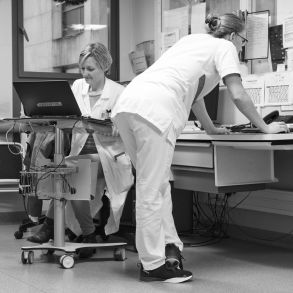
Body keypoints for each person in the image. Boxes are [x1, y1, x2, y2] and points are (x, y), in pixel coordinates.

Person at [111, 13, 288, 283]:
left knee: (158, 186)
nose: (241, 46)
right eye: (243, 40)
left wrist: (211, 129)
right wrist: (265, 127)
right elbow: (238, 92)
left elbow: (195, 98)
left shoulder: (192, 41)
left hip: (128, 104)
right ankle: (152, 265)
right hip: (155, 110)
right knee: (151, 187)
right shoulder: (224, 47)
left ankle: (170, 248)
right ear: (232, 36)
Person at [28, 42, 134, 258]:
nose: (85, 74)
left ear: (105, 67)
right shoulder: (77, 87)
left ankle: (52, 227)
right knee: (70, 169)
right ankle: (87, 235)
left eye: (90, 69)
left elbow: (125, 131)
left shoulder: (119, 92)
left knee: (72, 169)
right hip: (79, 156)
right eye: (82, 68)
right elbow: (67, 115)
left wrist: (94, 125)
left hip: (110, 157)